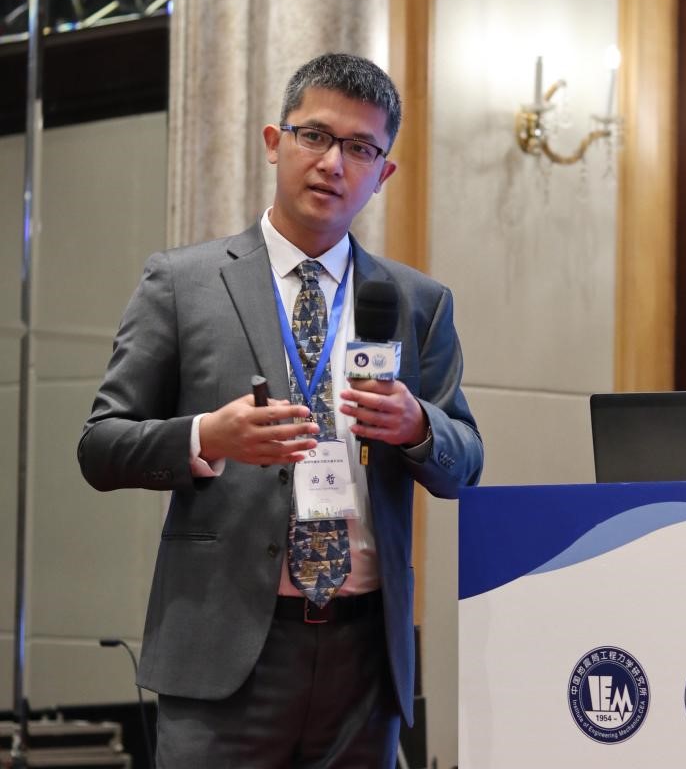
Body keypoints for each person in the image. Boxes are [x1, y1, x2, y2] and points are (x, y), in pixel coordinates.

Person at [78, 52, 484, 768]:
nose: (333, 163)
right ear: (275, 142)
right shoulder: (182, 283)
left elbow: (466, 463)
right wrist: (207, 435)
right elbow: (101, 447)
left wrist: (418, 426)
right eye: (315, 136)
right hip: (225, 648)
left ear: (383, 173)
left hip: (365, 657)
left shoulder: (416, 302)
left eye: (360, 149)